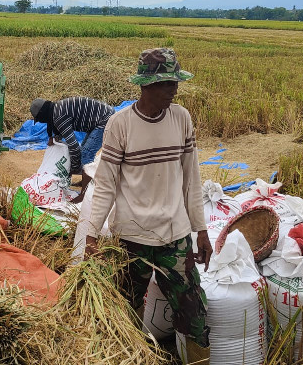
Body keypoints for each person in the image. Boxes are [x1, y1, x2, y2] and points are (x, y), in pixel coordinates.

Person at [85, 47, 212, 357]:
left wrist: (202, 231)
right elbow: (105, 185)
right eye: (168, 83)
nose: (174, 90)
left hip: (175, 237)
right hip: (131, 239)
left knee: (195, 314)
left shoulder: (182, 118)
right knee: (125, 313)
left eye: (175, 83)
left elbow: (191, 180)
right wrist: (91, 236)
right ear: (145, 85)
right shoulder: (120, 124)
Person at [29, 96, 115, 200]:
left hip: (105, 119)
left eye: (39, 119)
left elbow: (74, 146)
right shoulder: (56, 109)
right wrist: (54, 137)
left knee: (86, 156)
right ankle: (86, 180)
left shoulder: (58, 116)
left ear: (43, 114)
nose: (41, 121)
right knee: (84, 153)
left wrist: (73, 168)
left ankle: (84, 195)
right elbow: (56, 126)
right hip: (99, 117)